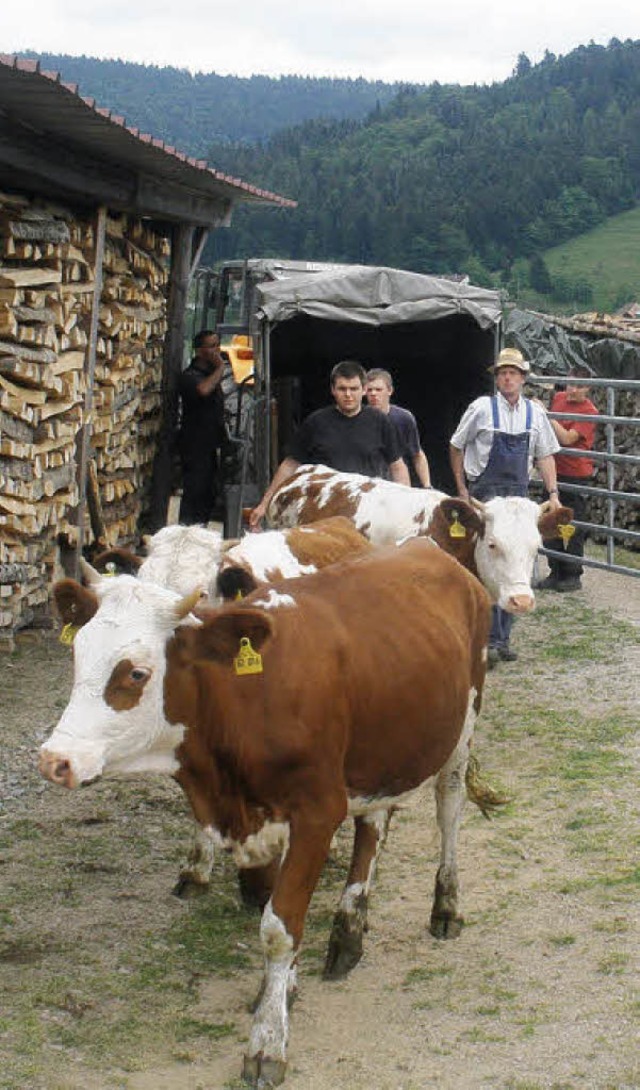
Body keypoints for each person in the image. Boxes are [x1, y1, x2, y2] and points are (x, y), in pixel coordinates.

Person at [449, 346, 561, 666]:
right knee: (487, 565)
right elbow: (456, 446)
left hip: (519, 496)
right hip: (485, 495)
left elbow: (545, 455)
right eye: (502, 373)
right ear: (497, 379)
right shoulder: (481, 408)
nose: (507, 378)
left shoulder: (535, 413)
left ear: (523, 378)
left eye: (513, 373)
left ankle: (502, 638)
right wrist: (461, 489)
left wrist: (553, 493)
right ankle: (487, 638)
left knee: (517, 563)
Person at [249, 359, 410, 528]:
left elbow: (397, 466)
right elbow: (290, 465)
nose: (348, 394)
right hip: (323, 512)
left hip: (367, 513)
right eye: (342, 389)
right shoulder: (316, 422)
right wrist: (264, 504)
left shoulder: (380, 422)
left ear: (363, 390)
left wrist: (405, 506)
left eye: (354, 389)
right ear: (333, 390)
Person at [538, 381, 599, 593]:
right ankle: (555, 570)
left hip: (576, 473)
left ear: (588, 389)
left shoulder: (590, 412)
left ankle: (573, 574)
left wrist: (547, 415)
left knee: (573, 525)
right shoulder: (559, 398)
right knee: (550, 521)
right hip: (554, 471)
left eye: (579, 387)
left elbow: (566, 438)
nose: (572, 391)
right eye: (571, 385)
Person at [177, 329, 227, 525]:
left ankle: (201, 527)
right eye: (212, 346)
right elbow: (203, 389)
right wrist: (220, 367)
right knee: (194, 491)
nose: (217, 350)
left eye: (218, 345)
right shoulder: (190, 376)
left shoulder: (209, 374)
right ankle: (186, 528)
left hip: (209, 444)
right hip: (194, 445)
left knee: (208, 492)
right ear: (200, 351)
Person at [365, 368, 432, 487]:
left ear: (389, 390)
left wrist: (427, 485)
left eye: (378, 389)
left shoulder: (403, 418)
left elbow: (417, 454)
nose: (373, 394)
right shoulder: (359, 419)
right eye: (369, 390)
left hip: (399, 483)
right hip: (369, 484)